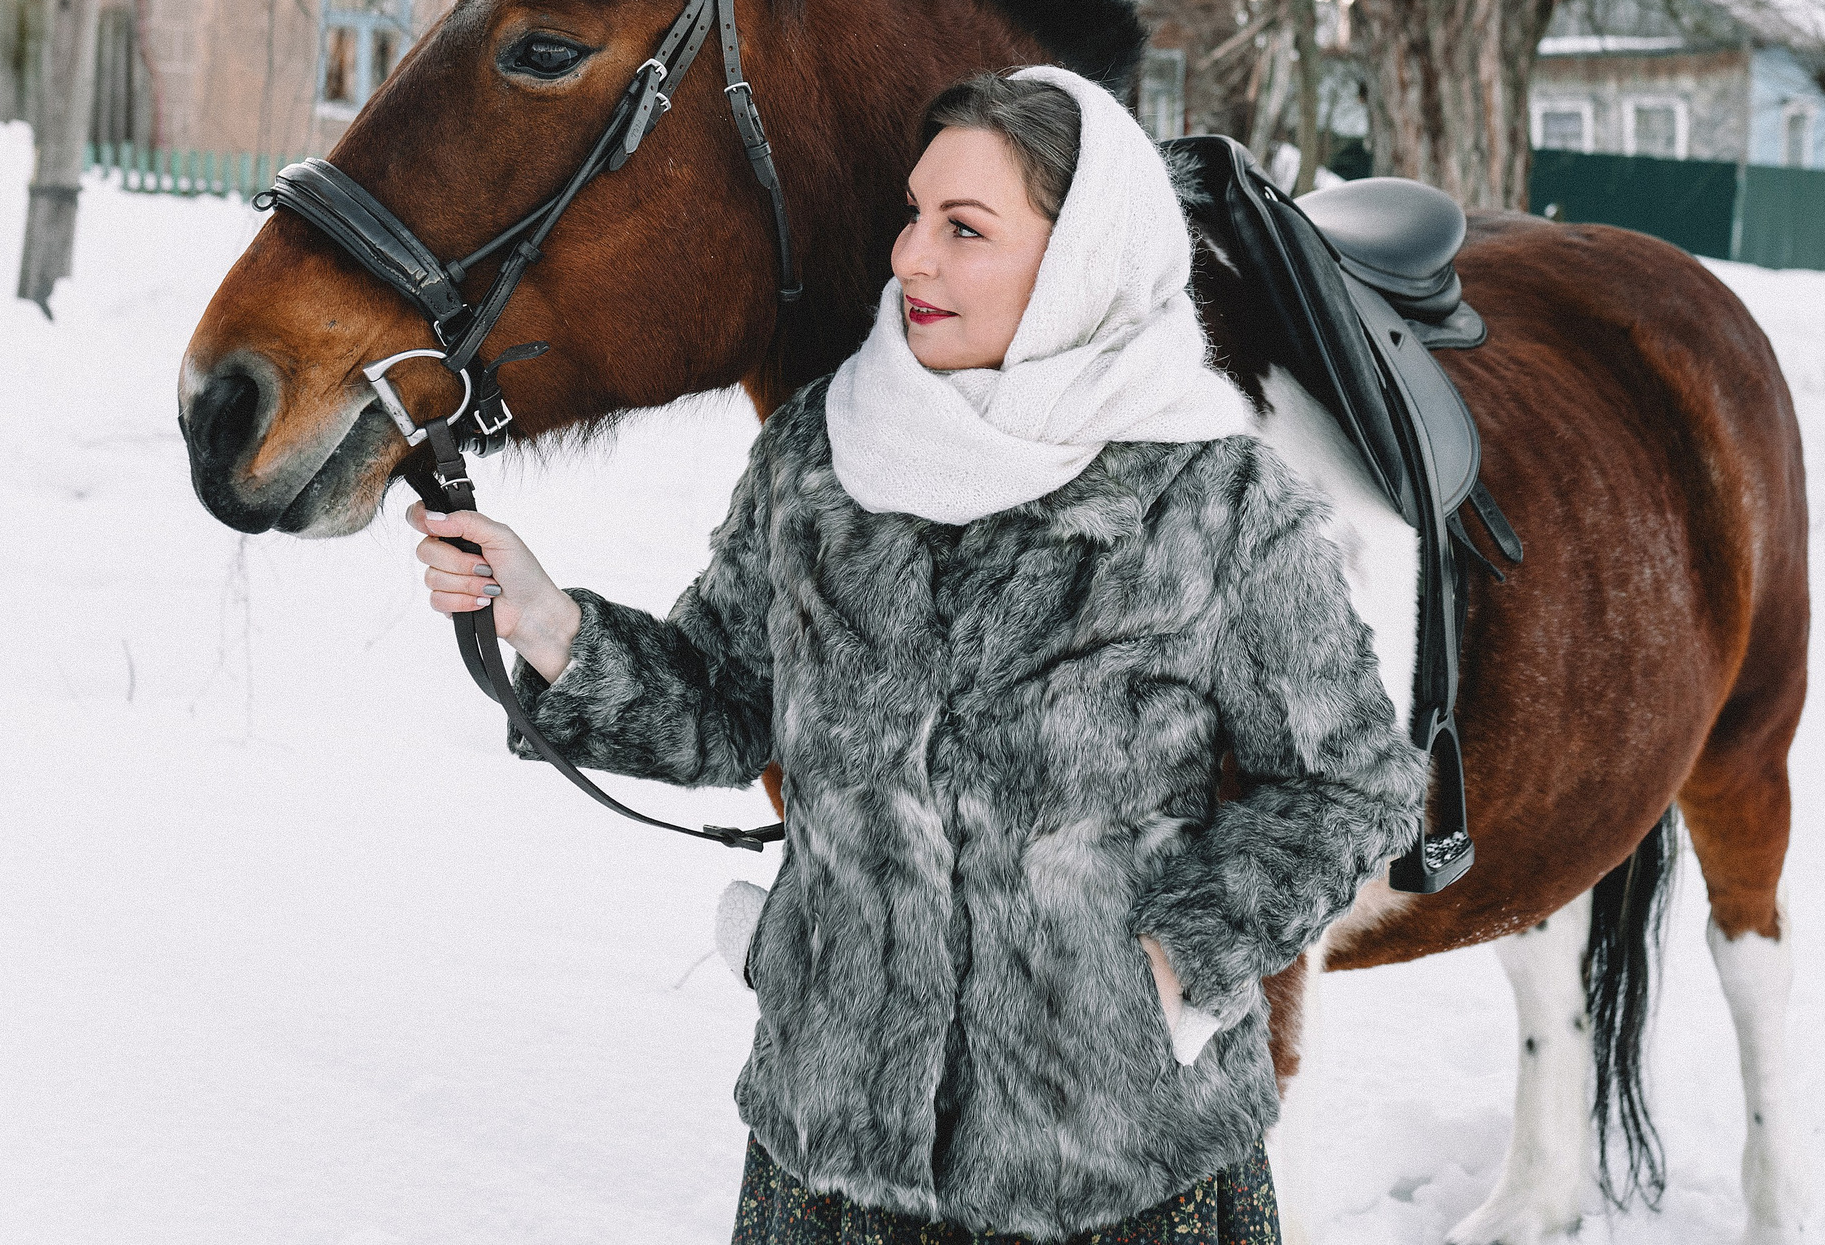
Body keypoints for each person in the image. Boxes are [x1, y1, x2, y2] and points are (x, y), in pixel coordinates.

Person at [406, 65, 1427, 1244]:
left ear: (1080, 260)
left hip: (1119, 1169)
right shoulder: (822, 457)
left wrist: (1172, 957)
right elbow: (729, 706)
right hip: (832, 1153)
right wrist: (548, 624)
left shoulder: (1214, 500)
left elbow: (1353, 785)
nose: (910, 259)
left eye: (965, 229)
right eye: (912, 213)